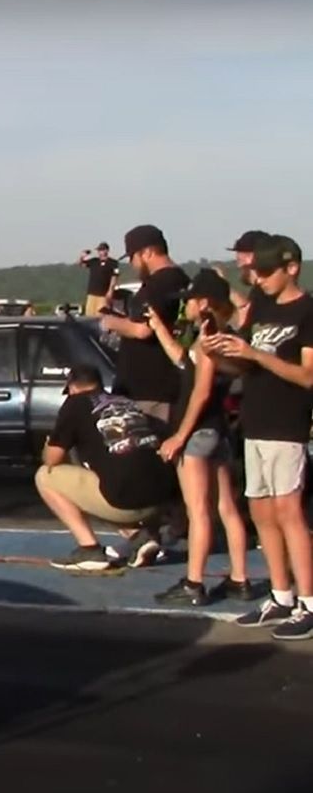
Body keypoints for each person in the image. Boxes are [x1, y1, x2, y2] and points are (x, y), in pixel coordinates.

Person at [204, 234, 313, 639]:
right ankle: (281, 594)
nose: (260, 279)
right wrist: (218, 354)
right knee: (262, 513)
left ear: (291, 268)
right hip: (256, 422)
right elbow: (244, 368)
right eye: (257, 272)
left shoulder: (307, 310)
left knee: (290, 514)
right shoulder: (262, 306)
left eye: (266, 272)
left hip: (287, 424)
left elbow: (306, 376)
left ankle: (309, 601)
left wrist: (255, 356)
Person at [144, 269, 256, 605]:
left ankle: (194, 583)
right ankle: (240, 579)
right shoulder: (224, 334)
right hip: (218, 430)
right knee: (227, 507)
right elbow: (185, 362)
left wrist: (179, 435)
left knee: (199, 511)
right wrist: (160, 330)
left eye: (190, 301)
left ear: (204, 302)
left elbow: (201, 391)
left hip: (198, 432)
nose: (186, 308)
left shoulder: (209, 336)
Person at [35, 364, 179, 571]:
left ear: (73, 388)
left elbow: (52, 459)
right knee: (107, 475)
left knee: (45, 477)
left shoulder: (75, 404)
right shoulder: (126, 402)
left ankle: (89, 549)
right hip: (160, 500)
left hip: (125, 502)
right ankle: (140, 537)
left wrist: (49, 443)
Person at [99, 225, 188, 425]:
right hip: (155, 387)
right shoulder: (179, 279)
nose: (132, 264)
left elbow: (143, 329)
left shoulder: (160, 283)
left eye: (133, 257)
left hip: (150, 390)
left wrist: (112, 321)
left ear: (147, 252)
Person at [228, 229, 272, 329]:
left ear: (251, 256)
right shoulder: (262, 291)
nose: (237, 258)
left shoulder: (262, 292)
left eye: (240, 252)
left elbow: (246, 318)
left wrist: (224, 286)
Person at [79, 242, 120, 317]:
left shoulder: (113, 263)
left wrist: (110, 291)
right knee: (89, 315)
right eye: (99, 250)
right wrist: (82, 257)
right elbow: (81, 264)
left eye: (101, 250)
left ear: (106, 251)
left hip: (103, 294)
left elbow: (114, 277)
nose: (99, 252)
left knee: (101, 316)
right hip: (92, 293)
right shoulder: (94, 261)